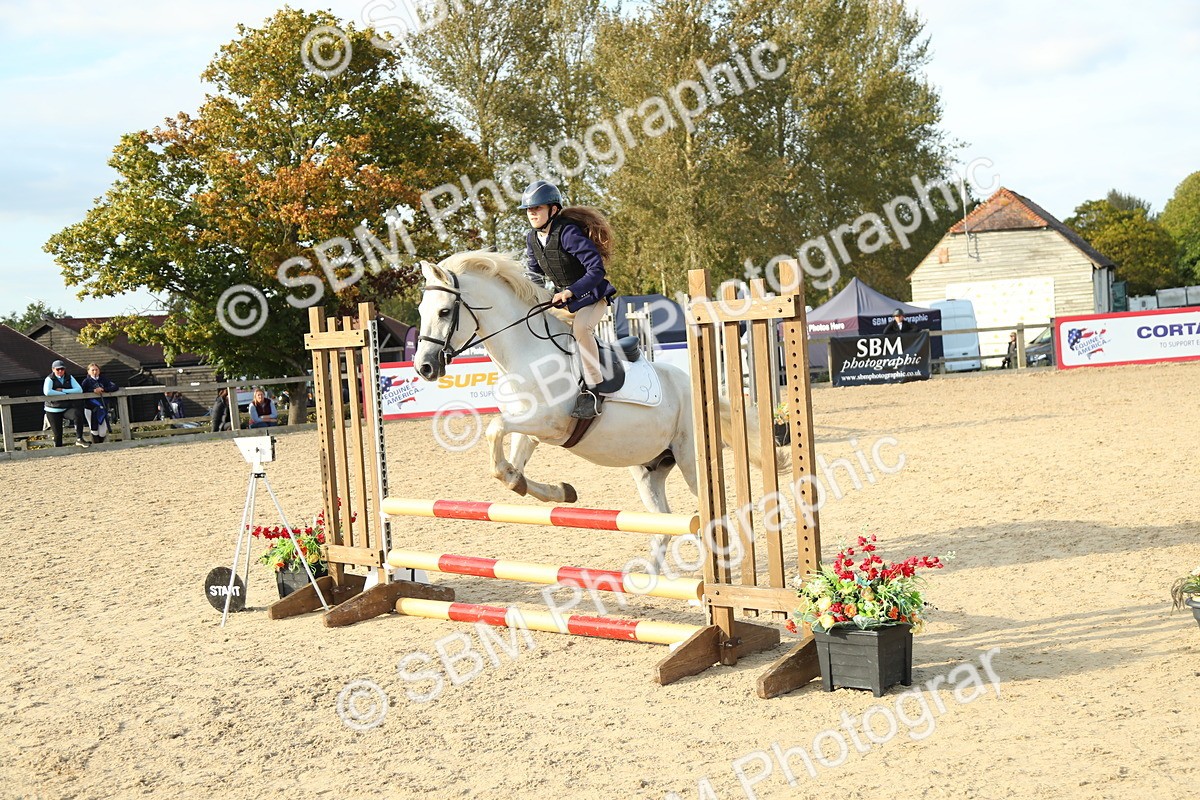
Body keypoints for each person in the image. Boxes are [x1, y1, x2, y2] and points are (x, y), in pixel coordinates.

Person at [520, 180, 617, 419]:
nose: (532, 213)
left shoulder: (568, 232)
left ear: (553, 209)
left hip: (592, 297)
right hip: (564, 302)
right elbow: (534, 276)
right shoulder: (533, 239)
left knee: (581, 330)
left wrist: (571, 291)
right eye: (529, 210)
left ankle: (596, 389)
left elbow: (596, 270)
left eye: (538, 208)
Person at [43, 360, 86, 447]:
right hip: (52, 409)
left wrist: (63, 390)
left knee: (77, 414)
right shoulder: (49, 379)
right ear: (53, 369)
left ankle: (79, 438)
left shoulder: (69, 377)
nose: (60, 371)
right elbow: (47, 392)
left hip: (66, 407)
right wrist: (65, 394)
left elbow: (79, 390)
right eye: (58, 369)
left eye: (62, 369)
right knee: (58, 434)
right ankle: (58, 450)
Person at [80, 363, 119, 443]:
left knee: (102, 432)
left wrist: (104, 389)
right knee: (94, 429)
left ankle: (100, 443)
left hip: (102, 407)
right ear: (88, 372)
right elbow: (81, 391)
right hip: (90, 408)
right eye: (92, 370)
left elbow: (115, 387)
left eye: (96, 370)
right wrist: (93, 391)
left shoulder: (103, 379)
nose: (95, 372)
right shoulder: (86, 381)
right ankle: (97, 446)